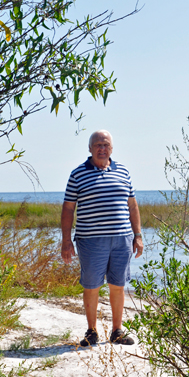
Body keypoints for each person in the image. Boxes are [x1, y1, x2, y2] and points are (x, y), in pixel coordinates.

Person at [61, 130, 143, 346]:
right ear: (90, 148)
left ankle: (117, 331)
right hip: (90, 240)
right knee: (92, 286)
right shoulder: (78, 174)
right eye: (97, 145)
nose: (102, 148)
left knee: (118, 285)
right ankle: (91, 332)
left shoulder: (123, 172)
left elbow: (133, 206)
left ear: (112, 149)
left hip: (122, 239)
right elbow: (68, 209)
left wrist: (138, 235)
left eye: (106, 145)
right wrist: (66, 240)